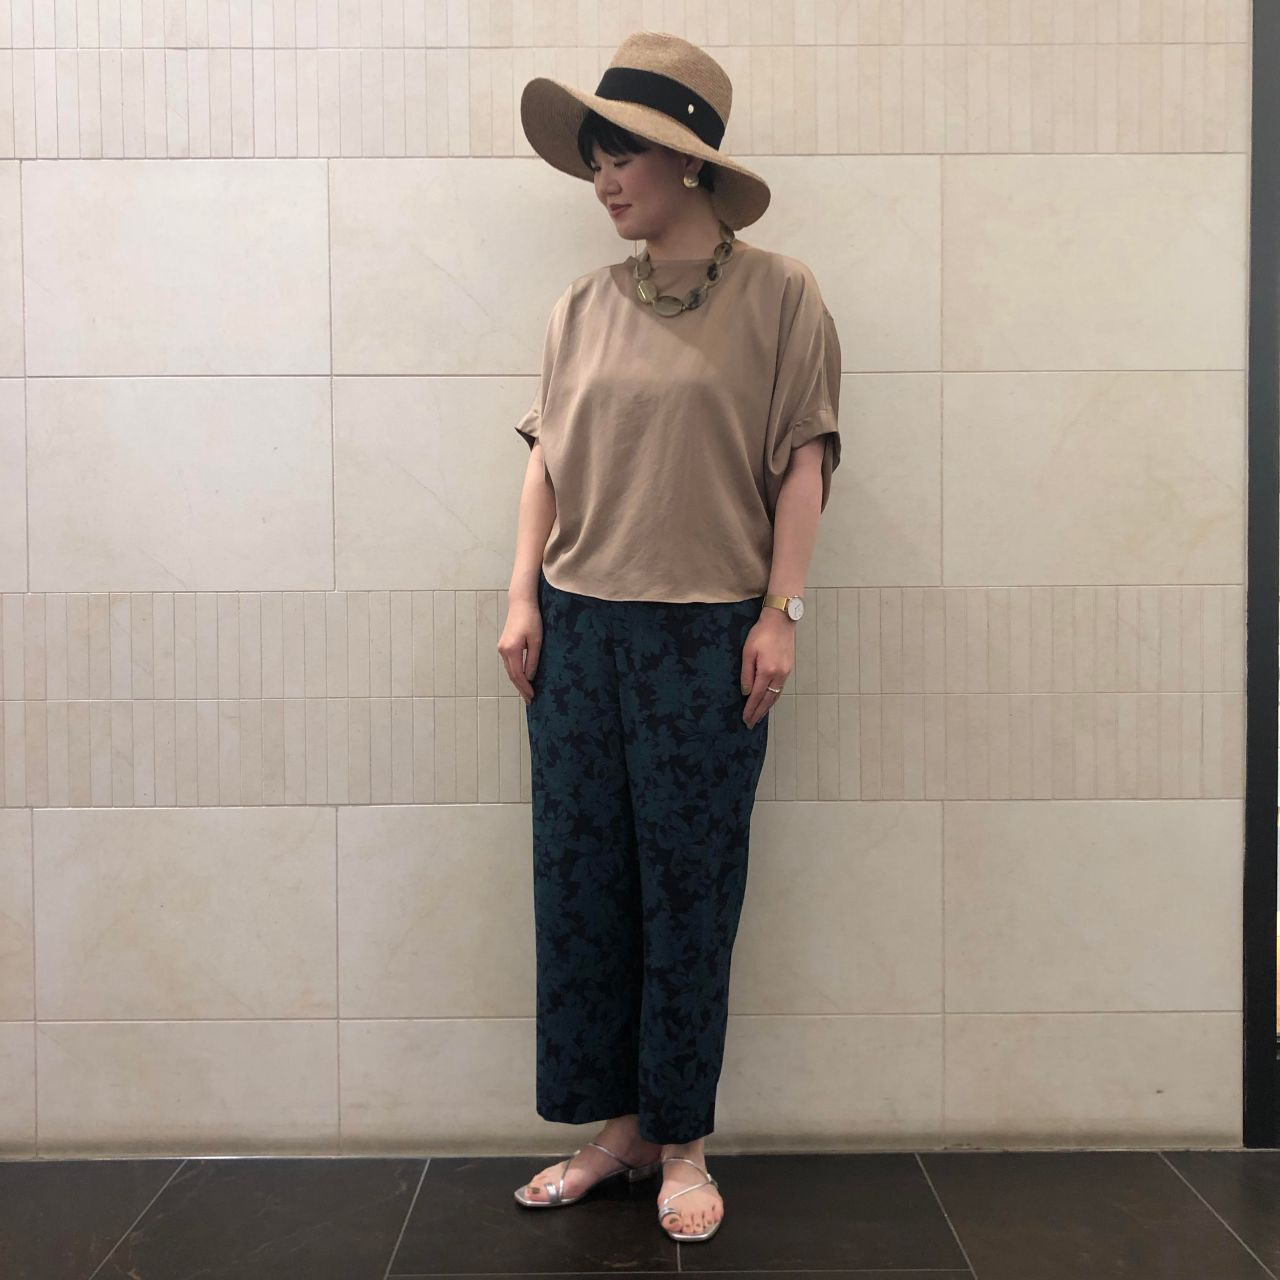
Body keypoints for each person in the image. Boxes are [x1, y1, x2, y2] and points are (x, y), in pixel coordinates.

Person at [496, 31, 842, 1244]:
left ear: (687, 161)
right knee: (583, 888)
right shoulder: (579, 306)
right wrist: (521, 596)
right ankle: (617, 1131)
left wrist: (780, 612)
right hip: (577, 632)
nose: (600, 178)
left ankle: (682, 1138)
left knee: (689, 890)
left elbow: (802, 462)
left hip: (707, 638)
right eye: (593, 156)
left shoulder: (781, 295)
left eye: (620, 154)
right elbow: (545, 461)